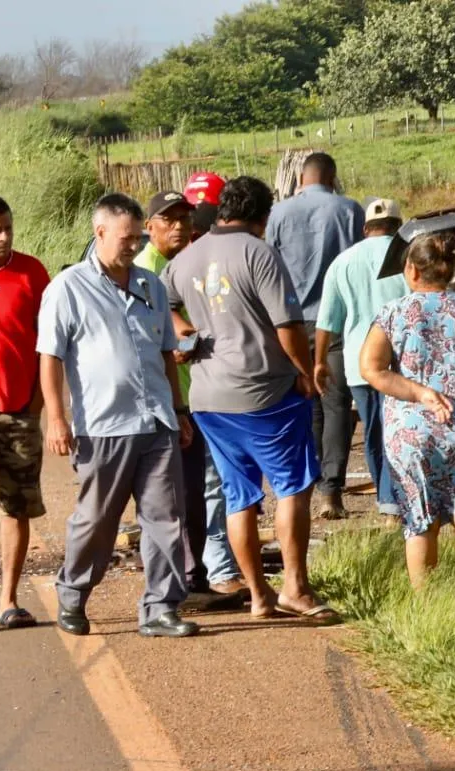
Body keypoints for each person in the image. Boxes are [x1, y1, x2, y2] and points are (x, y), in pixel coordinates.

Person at [163, 176, 340, 625]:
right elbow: (288, 326)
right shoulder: (260, 253)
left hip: (207, 397)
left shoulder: (187, 258)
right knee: (292, 487)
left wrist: (184, 330)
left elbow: (160, 302)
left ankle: (260, 595)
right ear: (264, 216)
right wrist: (305, 372)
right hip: (264, 393)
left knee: (238, 495)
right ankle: (295, 588)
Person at [37, 194, 198, 639]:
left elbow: (166, 353)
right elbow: (49, 357)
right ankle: (72, 595)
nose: (133, 246)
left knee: (166, 517)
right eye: (125, 238)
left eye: (138, 238)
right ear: (100, 232)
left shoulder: (152, 285)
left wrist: (179, 410)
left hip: (156, 421)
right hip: (105, 426)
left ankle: (161, 608)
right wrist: (56, 417)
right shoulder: (68, 288)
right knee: (97, 519)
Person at [361, 232, 455, 588]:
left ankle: (425, 603)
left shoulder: (392, 314)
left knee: (419, 518)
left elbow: (371, 367)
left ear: (411, 270)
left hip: (409, 432)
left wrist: (416, 392)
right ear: (452, 270)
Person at [134, 190, 244, 606]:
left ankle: (194, 575)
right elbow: (165, 338)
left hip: (196, 394)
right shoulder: (145, 270)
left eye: (184, 217)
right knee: (173, 495)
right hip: (167, 398)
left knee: (197, 492)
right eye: (169, 219)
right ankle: (178, 579)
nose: (179, 225)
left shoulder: (187, 262)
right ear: (150, 227)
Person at [266, 152, 363, 520]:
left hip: (290, 322)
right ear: (333, 177)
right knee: (336, 402)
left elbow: (269, 266)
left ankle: (301, 484)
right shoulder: (350, 210)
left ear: (300, 179)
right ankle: (331, 490)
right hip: (337, 320)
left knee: (301, 402)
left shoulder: (278, 214)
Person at [0, 195, 50, 633]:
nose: (4, 236)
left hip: (20, 408)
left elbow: (52, 342)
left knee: (16, 506)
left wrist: (39, 403)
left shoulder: (32, 272)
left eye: (8, 227)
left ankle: (9, 599)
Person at [316, 197, 408, 523]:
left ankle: (388, 504)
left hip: (359, 365)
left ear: (365, 228)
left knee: (373, 432)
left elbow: (327, 322)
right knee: (397, 431)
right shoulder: (408, 256)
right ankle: (392, 503)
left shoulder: (343, 261)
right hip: (401, 364)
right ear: (399, 226)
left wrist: (319, 363)